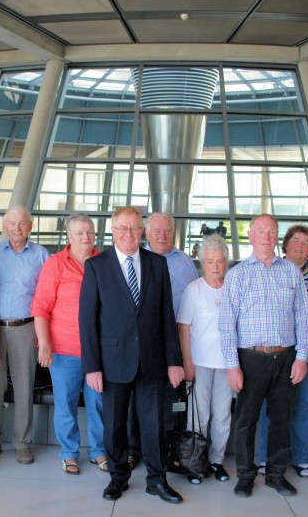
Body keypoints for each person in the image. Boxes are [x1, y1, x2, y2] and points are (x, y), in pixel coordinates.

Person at [79, 206, 185, 504]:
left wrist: (174, 360)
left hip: (151, 360)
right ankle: (117, 478)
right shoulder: (97, 266)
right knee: (114, 423)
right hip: (113, 362)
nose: (129, 234)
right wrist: (92, 367)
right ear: (112, 231)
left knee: (154, 424)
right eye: (123, 229)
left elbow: (166, 314)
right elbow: (87, 320)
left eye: (134, 228)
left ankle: (157, 479)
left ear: (142, 231)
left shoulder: (156, 264)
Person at [219, 214, 308, 499]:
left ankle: (275, 475)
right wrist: (232, 366)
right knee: (246, 420)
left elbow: (303, 317)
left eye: (271, 232)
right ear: (251, 235)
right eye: (261, 231)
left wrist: (301, 356)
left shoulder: (291, 272)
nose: (267, 237)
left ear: (277, 236)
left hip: (285, 358)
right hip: (250, 358)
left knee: (281, 418)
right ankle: (246, 475)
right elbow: (227, 324)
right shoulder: (237, 275)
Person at [31, 214, 106, 475]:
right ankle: (69, 453)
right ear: (69, 236)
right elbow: (41, 307)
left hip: (98, 351)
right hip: (64, 349)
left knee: (98, 402)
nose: (86, 237)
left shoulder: (104, 262)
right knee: (66, 403)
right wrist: (44, 343)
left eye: (90, 232)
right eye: (80, 233)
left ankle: (99, 451)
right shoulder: (55, 265)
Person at [257, 225, 308, 479]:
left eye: (307, 243)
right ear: (285, 244)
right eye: (296, 241)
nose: (301, 246)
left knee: (302, 407)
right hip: (277, 354)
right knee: (270, 407)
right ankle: (266, 458)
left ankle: (302, 459)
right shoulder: (270, 270)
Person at [126, 212, 198, 465]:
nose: (162, 235)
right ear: (146, 232)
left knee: (171, 398)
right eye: (156, 231)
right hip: (144, 342)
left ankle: (167, 449)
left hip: (176, 342)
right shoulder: (136, 259)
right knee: (138, 397)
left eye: (167, 230)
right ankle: (135, 449)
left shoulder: (185, 262)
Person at [0, 206, 48, 465]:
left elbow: (45, 297)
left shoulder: (41, 254)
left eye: (22, 223)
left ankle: (22, 443)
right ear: (5, 226)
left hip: (26, 327)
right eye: (12, 223)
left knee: (24, 387)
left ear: (30, 226)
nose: (17, 228)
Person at [178, 234, 233, 482]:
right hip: (199, 362)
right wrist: (187, 363)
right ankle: (194, 462)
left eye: (219, 261)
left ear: (226, 262)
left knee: (222, 415)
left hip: (227, 364)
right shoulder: (194, 289)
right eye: (210, 261)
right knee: (198, 415)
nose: (215, 267)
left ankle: (216, 461)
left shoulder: (234, 286)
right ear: (202, 263)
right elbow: (184, 328)